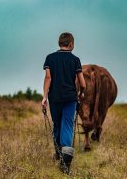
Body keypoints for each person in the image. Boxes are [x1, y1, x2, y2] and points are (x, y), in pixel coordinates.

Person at [42, 32, 86, 174]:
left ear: (59, 43)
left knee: (57, 124)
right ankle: (65, 164)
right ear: (71, 44)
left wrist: (44, 97)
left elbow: (48, 77)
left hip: (54, 98)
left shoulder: (50, 58)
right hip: (70, 99)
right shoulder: (75, 60)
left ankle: (58, 153)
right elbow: (82, 83)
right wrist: (81, 92)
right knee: (67, 125)